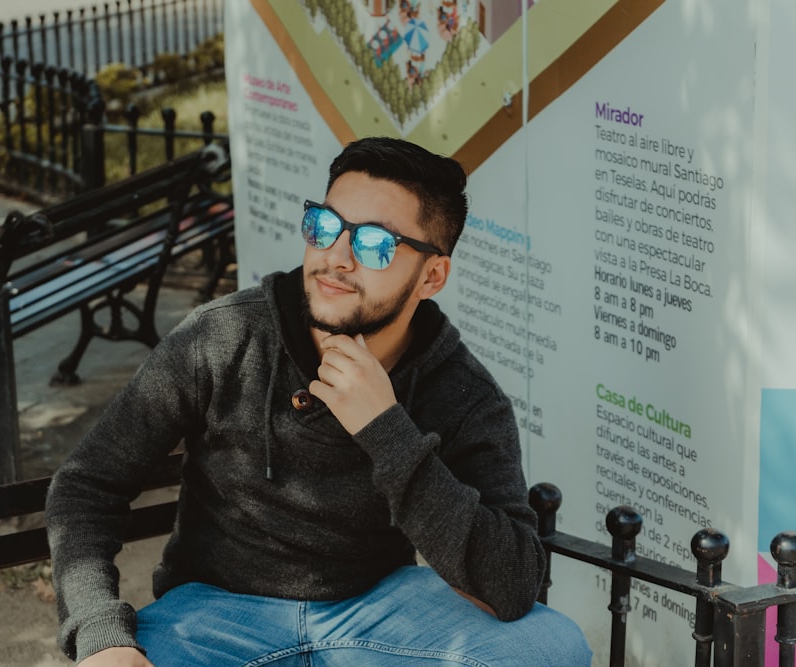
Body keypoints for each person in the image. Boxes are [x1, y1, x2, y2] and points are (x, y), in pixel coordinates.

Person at [45, 137, 592, 666]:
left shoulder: (461, 390)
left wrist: (386, 427)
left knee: (553, 648)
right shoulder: (224, 338)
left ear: (432, 275)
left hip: (376, 615)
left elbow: (515, 581)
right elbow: (87, 484)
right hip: (213, 617)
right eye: (325, 226)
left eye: (375, 243)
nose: (336, 257)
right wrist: (100, 633)